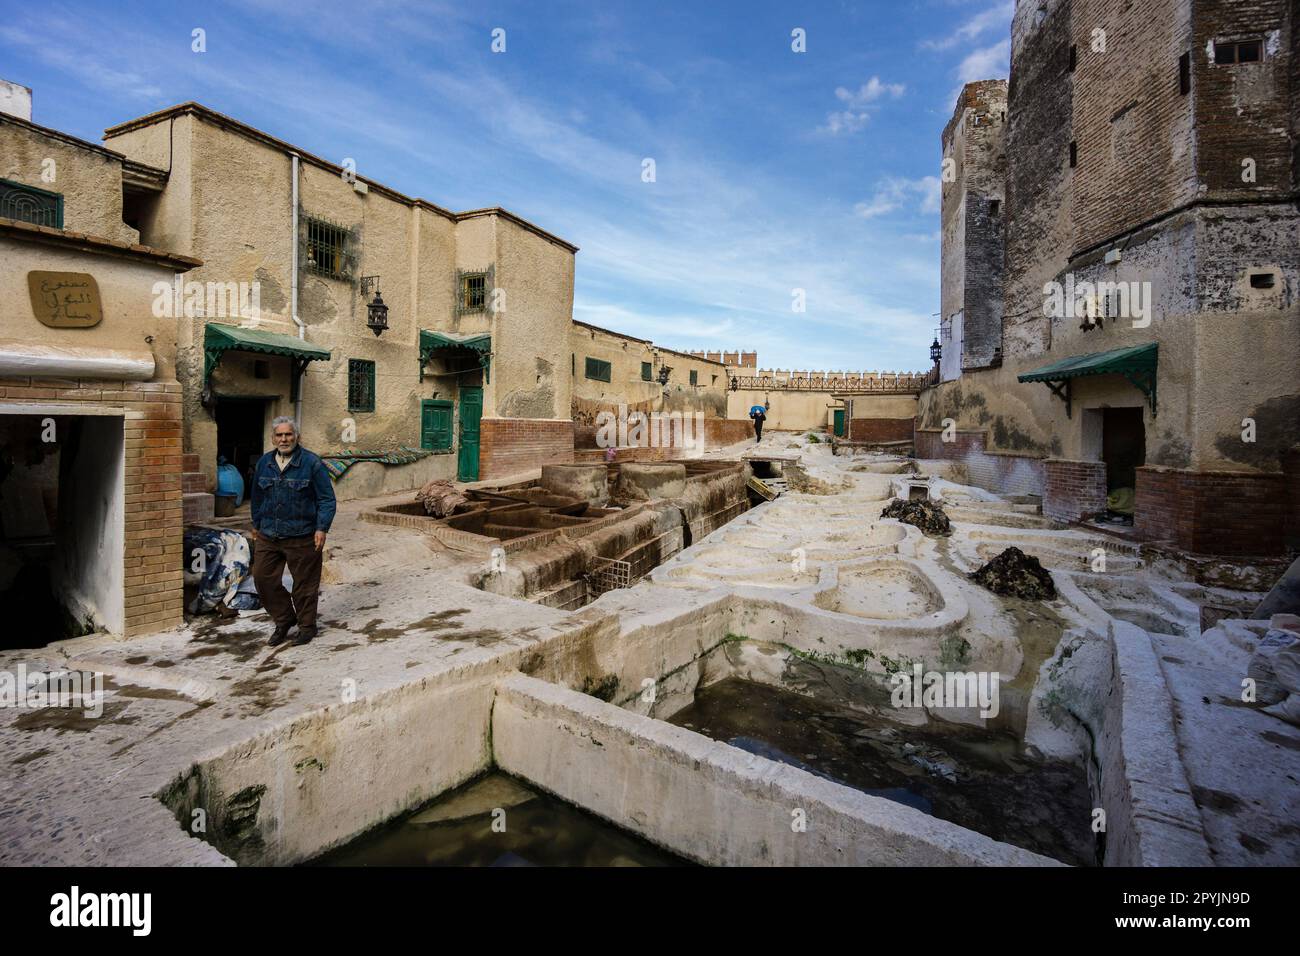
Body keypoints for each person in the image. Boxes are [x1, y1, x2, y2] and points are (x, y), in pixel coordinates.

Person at [249, 417, 336, 647]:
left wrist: (321, 528)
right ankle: (285, 619)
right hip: (269, 533)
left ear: (297, 437)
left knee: (304, 585)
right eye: (279, 435)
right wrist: (256, 524)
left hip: (302, 534)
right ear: (273, 438)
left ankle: (307, 627)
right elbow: (257, 497)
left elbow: (327, 499)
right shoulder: (264, 463)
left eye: (288, 434)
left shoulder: (311, 463)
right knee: (262, 578)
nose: (284, 439)